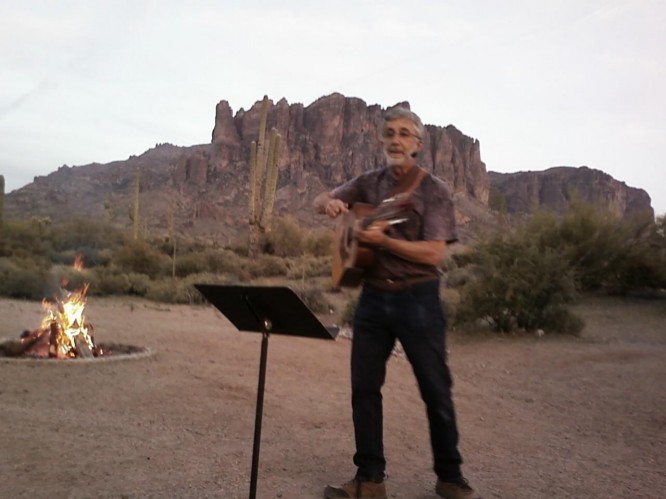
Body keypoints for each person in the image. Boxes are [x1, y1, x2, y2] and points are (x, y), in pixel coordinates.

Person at [313, 107, 480, 499]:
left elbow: (434, 255)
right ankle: (369, 479)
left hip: (418, 298)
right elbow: (322, 198)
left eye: (404, 134)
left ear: (418, 144)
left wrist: (384, 242)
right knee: (364, 388)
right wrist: (331, 205)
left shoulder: (434, 190)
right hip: (372, 298)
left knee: (435, 388)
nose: (395, 140)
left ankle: (450, 477)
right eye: (389, 133)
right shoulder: (368, 183)